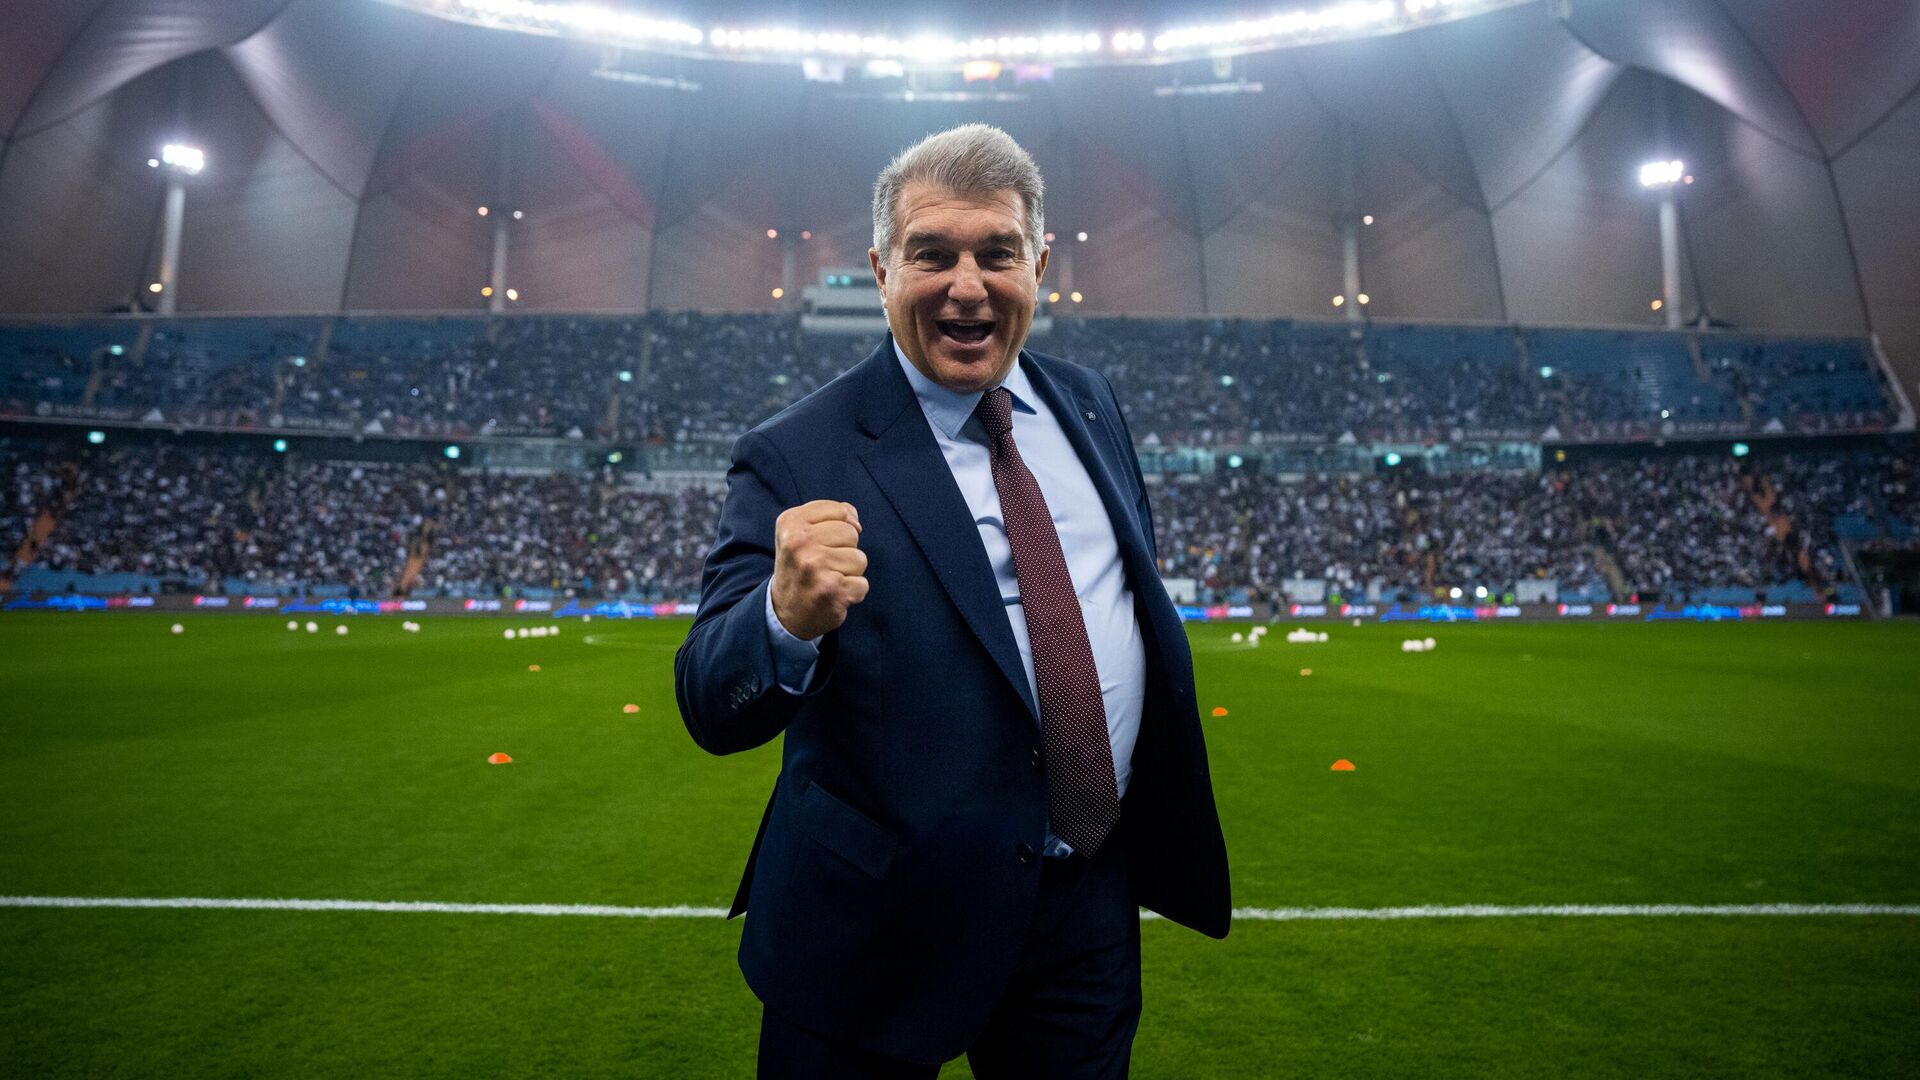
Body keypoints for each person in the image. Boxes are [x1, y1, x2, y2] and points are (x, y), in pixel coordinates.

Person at [675, 124, 1230, 1078]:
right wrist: (783, 619)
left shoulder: (1090, 404)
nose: (966, 286)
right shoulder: (798, 452)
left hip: (1081, 912)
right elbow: (706, 699)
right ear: (882, 270)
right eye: (932, 254)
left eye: (997, 254)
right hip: (875, 930)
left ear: (1039, 266)